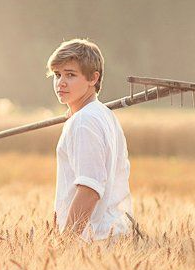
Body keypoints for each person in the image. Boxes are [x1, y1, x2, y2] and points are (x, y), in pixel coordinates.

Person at [48, 38, 135, 240]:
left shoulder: (84, 122)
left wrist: (66, 242)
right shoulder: (103, 115)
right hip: (113, 234)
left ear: (93, 79)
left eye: (70, 75)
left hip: (93, 239)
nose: (61, 82)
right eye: (57, 74)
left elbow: (90, 188)